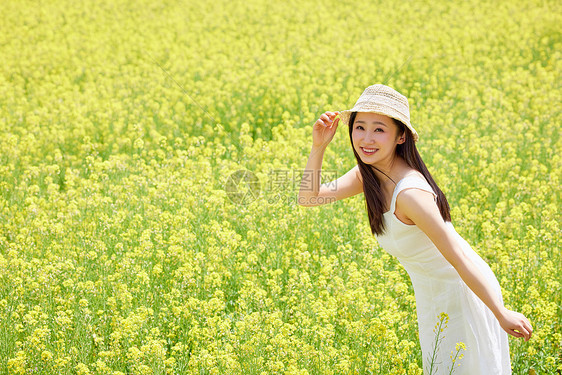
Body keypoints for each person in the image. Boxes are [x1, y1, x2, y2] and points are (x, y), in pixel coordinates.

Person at [297, 84, 532, 374]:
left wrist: (500, 312)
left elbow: (458, 255)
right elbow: (309, 198)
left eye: (379, 129)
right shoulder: (368, 174)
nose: (366, 139)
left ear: (401, 136)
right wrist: (318, 146)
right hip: (432, 293)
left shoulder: (410, 194)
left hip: (463, 290)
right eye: (360, 127)